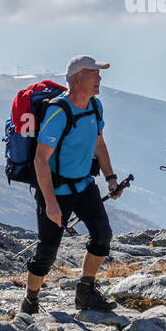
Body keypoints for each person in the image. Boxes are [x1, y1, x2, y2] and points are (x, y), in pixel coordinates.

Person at [21, 56, 124, 315]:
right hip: (55, 191)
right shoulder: (59, 111)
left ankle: (85, 291)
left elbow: (99, 144)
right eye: (94, 75)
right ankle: (30, 301)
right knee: (46, 252)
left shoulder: (95, 106)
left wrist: (111, 179)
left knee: (102, 235)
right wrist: (51, 204)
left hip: (84, 185)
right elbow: (40, 160)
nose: (99, 79)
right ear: (77, 79)